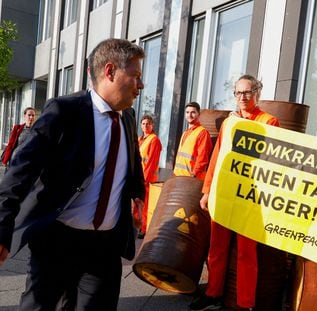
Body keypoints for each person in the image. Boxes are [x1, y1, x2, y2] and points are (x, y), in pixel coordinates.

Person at [0, 38, 146, 310]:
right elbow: (21, 170)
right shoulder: (64, 111)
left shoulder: (127, 117)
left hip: (105, 245)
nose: (141, 85)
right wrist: (2, 227)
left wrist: (138, 193)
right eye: (135, 76)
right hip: (58, 239)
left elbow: (132, 158)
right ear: (110, 71)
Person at [189, 75, 280, 311]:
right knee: (217, 247)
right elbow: (217, 158)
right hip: (225, 194)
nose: (242, 97)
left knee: (246, 252)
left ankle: (244, 303)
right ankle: (213, 293)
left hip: (251, 199)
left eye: (247, 92)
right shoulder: (230, 122)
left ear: (257, 92)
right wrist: (207, 190)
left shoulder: (270, 122)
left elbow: (271, 161)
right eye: (238, 93)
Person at [133, 115, 162, 238]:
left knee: (144, 206)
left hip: (146, 179)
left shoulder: (154, 140)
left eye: (148, 123)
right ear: (140, 125)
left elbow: (151, 163)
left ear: (152, 125)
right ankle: (136, 226)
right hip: (138, 178)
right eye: (144, 123)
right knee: (136, 204)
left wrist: (144, 180)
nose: (146, 126)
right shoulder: (140, 139)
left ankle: (143, 229)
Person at [173, 101, 212, 181]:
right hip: (178, 177)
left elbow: (203, 158)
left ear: (199, 114)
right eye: (187, 112)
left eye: (193, 112)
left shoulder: (202, 133)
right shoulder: (185, 133)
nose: (189, 115)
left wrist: (193, 175)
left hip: (191, 180)